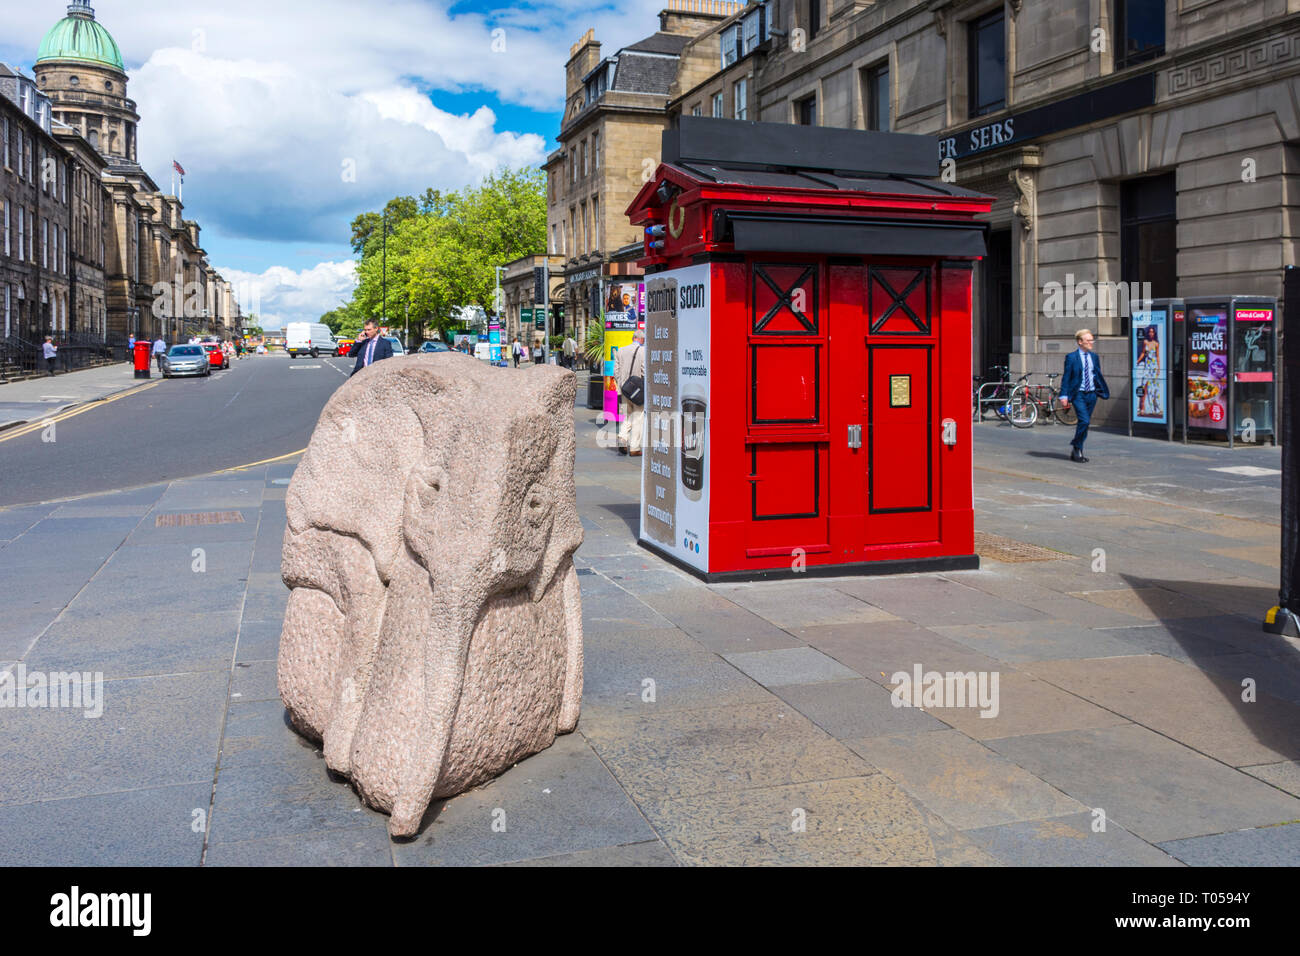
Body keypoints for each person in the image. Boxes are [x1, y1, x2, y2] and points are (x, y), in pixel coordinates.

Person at [1059, 328, 1110, 463]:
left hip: (1092, 394)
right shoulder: (1071, 357)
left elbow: (1097, 375)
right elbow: (1066, 377)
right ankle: (1076, 447)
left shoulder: (1094, 357)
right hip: (1078, 394)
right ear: (1080, 342)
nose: (1091, 342)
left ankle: (1078, 448)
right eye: (1088, 340)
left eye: (1092, 340)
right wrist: (1063, 396)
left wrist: (1100, 390)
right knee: (1085, 421)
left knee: (1085, 423)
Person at [614, 330, 646, 457]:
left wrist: (621, 384)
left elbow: (616, 371)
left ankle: (622, 437)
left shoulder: (621, 351)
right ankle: (634, 448)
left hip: (624, 390)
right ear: (641, 339)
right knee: (638, 417)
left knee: (626, 415)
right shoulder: (643, 351)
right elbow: (644, 371)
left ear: (633, 338)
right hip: (638, 391)